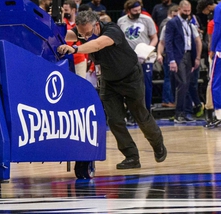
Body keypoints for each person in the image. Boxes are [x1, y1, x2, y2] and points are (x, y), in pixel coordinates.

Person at [58, 9, 166, 169]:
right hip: (109, 80)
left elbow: (97, 44)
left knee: (141, 116)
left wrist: (75, 49)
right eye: (82, 34)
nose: (85, 37)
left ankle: (158, 144)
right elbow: (66, 35)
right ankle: (131, 156)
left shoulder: (112, 30)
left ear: (96, 25)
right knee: (114, 120)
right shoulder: (82, 31)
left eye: (88, 33)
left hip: (130, 77)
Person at [164, 0, 201, 124]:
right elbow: (168, 43)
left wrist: (195, 58)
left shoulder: (189, 23)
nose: (187, 12)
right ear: (179, 9)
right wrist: (172, 60)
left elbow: (194, 41)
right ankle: (179, 113)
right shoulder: (172, 23)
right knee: (182, 84)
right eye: (185, 11)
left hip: (188, 55)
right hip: (178, 56)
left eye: (189, 11)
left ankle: (184, 112)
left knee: (187, 84)